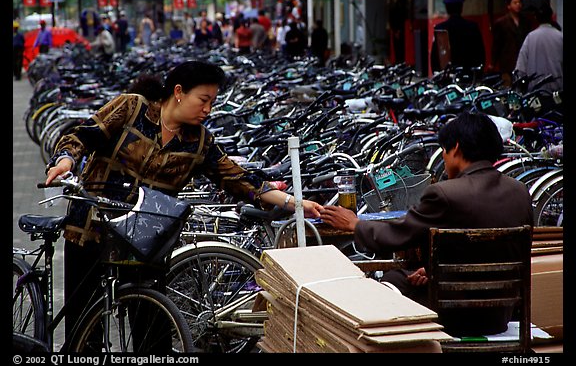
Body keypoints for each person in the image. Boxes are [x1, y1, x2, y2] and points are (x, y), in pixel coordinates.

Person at [44, 60, 324, 341]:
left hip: (144, 241)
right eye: (203, 100)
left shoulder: (199, 142)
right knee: (83, 328)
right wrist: (65, 160)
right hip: (91, 229)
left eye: (212, 102)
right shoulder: (132, 108)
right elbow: (83, 135)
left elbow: (240, 180)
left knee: (153, 332)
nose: (208, 110)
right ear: (179, 91)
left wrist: (296, 203)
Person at [320, 111, 534, 337]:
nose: (443, 157)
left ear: (456, 149)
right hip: (499, 315)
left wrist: (354, 224)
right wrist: (434, 270)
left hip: (453, 315)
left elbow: (397, 234)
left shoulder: (445, 193)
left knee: (393, 279)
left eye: (444, 150)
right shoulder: (519, 191)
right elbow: (494, 251)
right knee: (410, 275)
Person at [514, 2, 563, 93]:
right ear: (552, 17)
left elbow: (520, 68)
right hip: (558, 90)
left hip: (535, 92)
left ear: (536, 18)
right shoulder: (560, 37)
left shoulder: (530, 37)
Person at [430, 0, 485, 72]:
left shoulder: (440, 28)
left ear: (447, 9)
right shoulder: (472, 27)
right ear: (461, 8)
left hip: (448, 72)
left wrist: (436, 71)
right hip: (469, 71)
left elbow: (435, 54)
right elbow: (480, 51)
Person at [490, 0, 531, 87]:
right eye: (515, 3)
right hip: (507, 61)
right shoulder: (501, 23)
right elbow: (497, 44)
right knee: (508, 86)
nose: (518, 5)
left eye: (519, 2)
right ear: (509, 6)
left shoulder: (526, 21)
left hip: (523, 60)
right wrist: (493, 63)